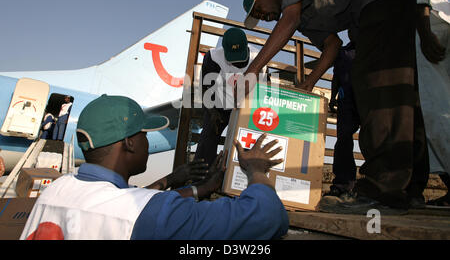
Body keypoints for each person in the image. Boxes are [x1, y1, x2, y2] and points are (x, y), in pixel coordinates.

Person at [240, 0, 439, 212]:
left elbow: (287, 21)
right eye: (258, 17)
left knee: (375, 90)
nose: (264, 17)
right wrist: (309, 83)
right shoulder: (306, 21)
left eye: (259, 9)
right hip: (389, 3)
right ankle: (410, 190)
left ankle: (382, 191)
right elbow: (333, 45)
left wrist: (254, 69)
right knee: (399, 90)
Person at [21, 94, 288, 240]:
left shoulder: (55, 190)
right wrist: (255, 170)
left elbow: (123, 201)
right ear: (129, 144)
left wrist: (196, 187)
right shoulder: (147, 212)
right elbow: (268, 218)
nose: (148, 142)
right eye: (144, 135)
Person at [368, 0, 450, 207]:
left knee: (436, 112)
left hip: (427, 28)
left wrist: (424, 33)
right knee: (431, 114)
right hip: (433, 26)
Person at [194, 27, 262, 167]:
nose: (237, 63)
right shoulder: (213, 57)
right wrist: (212, 112)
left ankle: (239, 175)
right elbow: (206, 89)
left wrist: (249, 116)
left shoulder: (259, 57)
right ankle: (201, 176)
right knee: (208, 135)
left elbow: (262, 92)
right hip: (221, 102)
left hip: (246, 103)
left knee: (249, 138)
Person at [324, 41, 360, 198]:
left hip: (367, 97)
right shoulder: (342, 52)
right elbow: (336, 76)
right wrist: (333, 97)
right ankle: (343, 182)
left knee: (373, 138)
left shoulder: (373, 45)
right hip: (346, 100)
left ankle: (376, 182)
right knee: (343, 139)